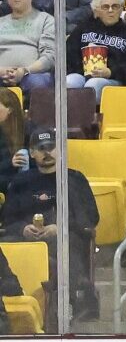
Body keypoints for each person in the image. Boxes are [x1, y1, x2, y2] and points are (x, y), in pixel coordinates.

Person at [1, 129, 99, 321]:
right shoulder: (21, 182)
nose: (47, 152)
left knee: (68, 243)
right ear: (32, 153)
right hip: (25, 240)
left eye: (51, 147)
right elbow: (8, 220)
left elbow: (90, 217)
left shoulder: (74, 179)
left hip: (63, 238)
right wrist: (22, 228)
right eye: (41, 148)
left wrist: (59, 227)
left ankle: (77, 299)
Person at [67, 0, 126, 101]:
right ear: (97, 10)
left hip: (114, 79)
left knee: (93, 85)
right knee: (69, 82)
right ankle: (70, 118)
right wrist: (83, 69)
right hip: (83, 74)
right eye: (105, 7)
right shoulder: (84, 27)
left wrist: (110, 72)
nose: (111, 10)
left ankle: (90, 119)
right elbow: (68, 54)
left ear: (121, 9)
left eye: (115, 6)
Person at [0, 0, 56, 94]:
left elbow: (50, 57)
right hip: (1, 74)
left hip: (32, 74)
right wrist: (2, 71)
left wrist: (24, 71)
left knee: (39, 82)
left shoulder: (46, 20)